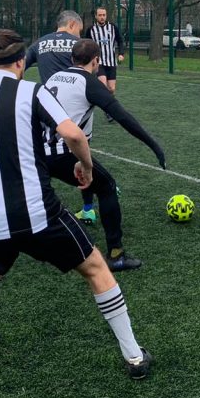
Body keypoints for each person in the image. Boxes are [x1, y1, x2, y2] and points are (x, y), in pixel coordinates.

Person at [0, 28, 152, 380]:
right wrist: (86, 166)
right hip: (36, 214)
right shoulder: (31, 91)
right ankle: (134, 356)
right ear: (21, 62)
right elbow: (74, 134)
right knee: (95, 267)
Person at [43, 38, 165, 272]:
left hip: (37, 152)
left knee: (83, 167)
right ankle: (116, 254)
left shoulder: (53, 77)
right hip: (61, 151)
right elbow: (123, 117)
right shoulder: (89, 82)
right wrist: (154, 145)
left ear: (72, 60)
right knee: (107, 185)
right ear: (96, 61)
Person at [24, 10, 83, 82]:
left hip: (48, 91)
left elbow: (21, 64)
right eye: (79, 30)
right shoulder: (80, 44)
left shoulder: (39, 43)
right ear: (72, 24)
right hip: (74, 91)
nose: (79, 35)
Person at [85, 6, 125, 97]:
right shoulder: (91, 29)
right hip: (99, 62)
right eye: (100, 15)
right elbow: (86, 44)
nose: (102, 17)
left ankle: (109, 107)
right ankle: (105, 105)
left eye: (104, 15)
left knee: (111, 89)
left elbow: (120, 41)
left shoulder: (113, 27)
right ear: (96, 16)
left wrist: (121, 54)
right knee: (103, 85)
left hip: (111, 62)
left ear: (106, 16)